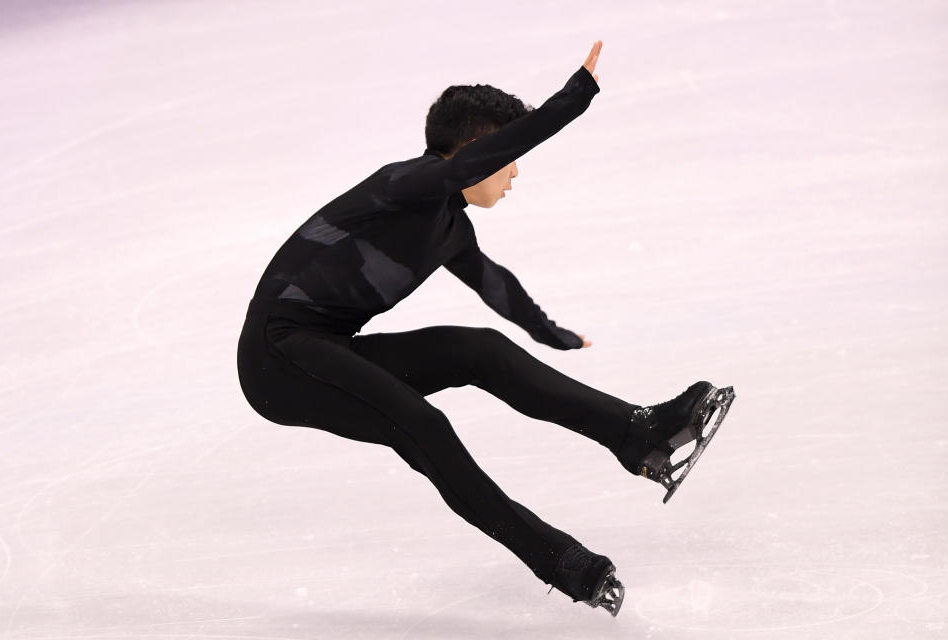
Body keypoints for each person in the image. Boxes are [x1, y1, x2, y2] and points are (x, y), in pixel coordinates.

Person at [236, 40, 724, 616]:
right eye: (506, 154)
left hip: (326, 347)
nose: (514, 173)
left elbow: (495, 284)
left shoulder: (448, 225)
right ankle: (556, 558)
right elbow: (470, 165)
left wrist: (549, 332)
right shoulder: (404, 184)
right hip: (278, 357)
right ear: (474, 151)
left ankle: (637, 434)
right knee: (419, 424)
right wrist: (574, 98)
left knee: (480, 351)